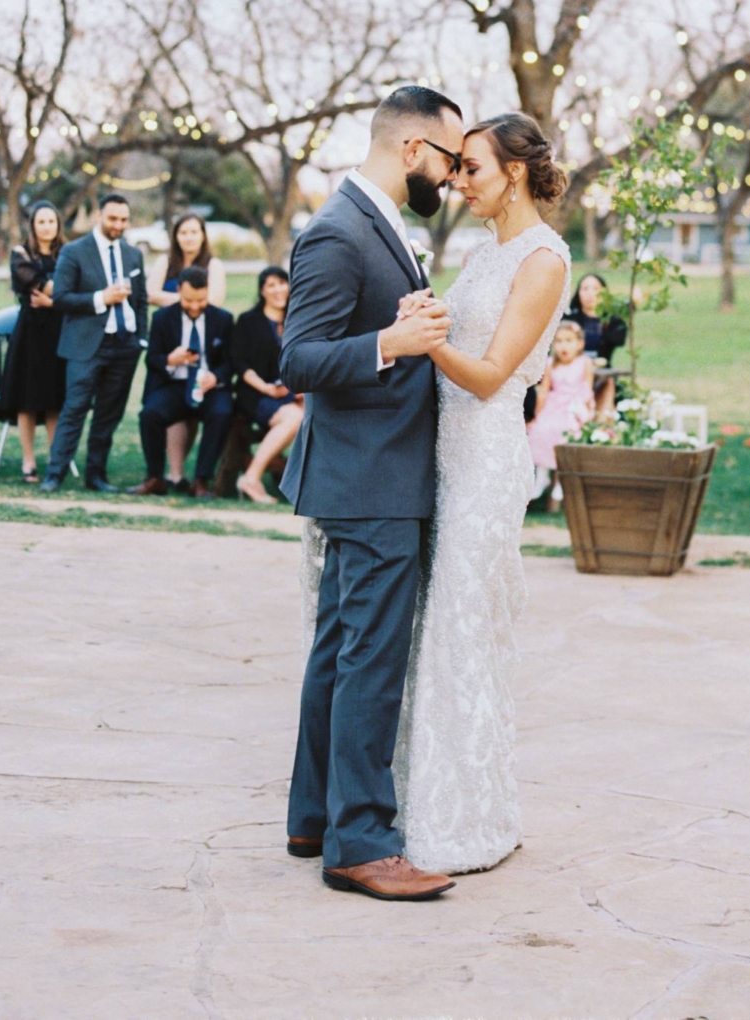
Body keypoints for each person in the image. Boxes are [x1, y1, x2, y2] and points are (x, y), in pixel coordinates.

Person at [281, 84, 463, 903]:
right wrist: (392, 341)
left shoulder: (379, 223)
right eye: (450, 160)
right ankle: (361, 840)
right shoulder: (335, 232)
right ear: (412, 150)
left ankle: (314, 815)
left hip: (372, 470)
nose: (453, 176)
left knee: (338, 650)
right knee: (370, 658)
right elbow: (299, 359)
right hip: (369, 477)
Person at [390, 113, 571, 876]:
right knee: (437, 625)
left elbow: (495, 375)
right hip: (443, 451)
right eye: (458, 169)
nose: (459, 182)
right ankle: (428, 798)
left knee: (463, 627)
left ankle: (467, 819)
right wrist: (419, 322)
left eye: (472, 168)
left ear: (516, 172)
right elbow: (453, 340)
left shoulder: (544, 259)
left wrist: (427, 344)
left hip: (490, 458)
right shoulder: (479, 250)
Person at [41, 193, 148, 494]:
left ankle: (96, 476)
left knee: (108, 414)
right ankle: (54, 474)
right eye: (113, 218)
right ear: (99, 216)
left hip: (125, 345)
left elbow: (140, 300)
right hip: (86, 345)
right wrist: (102, 298)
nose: (118, 225)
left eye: (124, 220)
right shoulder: (75, 252)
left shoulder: (133, 254)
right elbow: (60, 297)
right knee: (74, 408)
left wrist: (140, 337)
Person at [132, 266, 234, 499]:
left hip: (209, 386)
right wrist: (170, 359)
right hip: (174, 385)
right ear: (178, 291)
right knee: (150, 414)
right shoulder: (161, 318)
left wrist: (215, 377)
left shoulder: (223, 319)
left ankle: (201, 480)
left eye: (201, 300)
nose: (195, 306)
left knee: (222, 413)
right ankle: (155, 477)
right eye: (188, 300)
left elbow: (231, 362)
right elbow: (151, 360)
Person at [147, 213, 227, 486]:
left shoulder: (212, 264)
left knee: (214, 410)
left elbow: (214, 301)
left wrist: (183, 301)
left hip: (204, 361)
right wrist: (185, 302)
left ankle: (197, 479)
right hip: (173, 342)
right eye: (183, 232)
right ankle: (171, 474)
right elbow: (149, 294)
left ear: (203, 235)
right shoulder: (165, 261)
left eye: (194, 232)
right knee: (163, 409)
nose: (189, 237)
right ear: (175, 235)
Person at [0, 202, 67, 482]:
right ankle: (29, 461)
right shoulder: (20, 253)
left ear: (58, 224)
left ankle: (54, 459)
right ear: (33, 225)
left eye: (51, 221)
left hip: (58, 332)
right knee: (26, 400)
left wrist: (54, 301)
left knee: (54, 399)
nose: (47, 227)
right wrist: (59, 293)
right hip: (29, 334)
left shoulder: (68, 253)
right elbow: (36, 281)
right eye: (41, 222)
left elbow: (73, 286)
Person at [232, 265, 301, 505]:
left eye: (282, 283)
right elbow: (239, 364)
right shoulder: (249, 321)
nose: (278, 290)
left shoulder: (296, 321)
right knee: (293, 418)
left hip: (292, 393)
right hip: (256, 393)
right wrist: (265, 388)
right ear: (262, 290)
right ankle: (251, 478)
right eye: (271, 285)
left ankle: (307, 485)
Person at [526, 318, 596, 509]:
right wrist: (537, 415)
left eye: (569, 341)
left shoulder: (584, 363)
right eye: (559, 341)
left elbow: (587, 388)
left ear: (579, 344)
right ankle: (542, 475)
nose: (564, 346)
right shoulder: (550, 364)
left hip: (575, 406)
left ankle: (560, 481)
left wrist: (586, 411)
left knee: (565, 431)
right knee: (541, 430)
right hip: (553, 406)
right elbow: (544, 391)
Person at [566, 272, 627, 416]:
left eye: (595, 289)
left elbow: (619, 338)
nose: (590, 294)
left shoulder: (613, 321)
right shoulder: (570, 319)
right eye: (585, 289)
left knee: (609, 388)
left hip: (602, 374)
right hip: (572, 375)